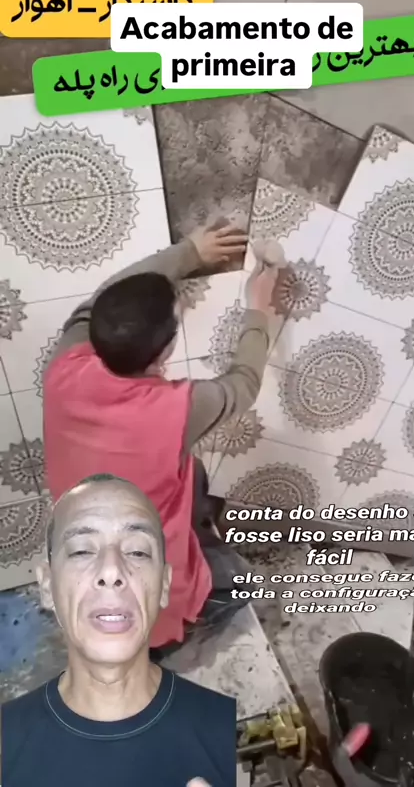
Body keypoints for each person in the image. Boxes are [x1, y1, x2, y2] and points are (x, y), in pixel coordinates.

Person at [43, 223, 278, 655]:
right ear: (165, 352)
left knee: (194, 473)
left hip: (80, 553)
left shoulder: (65, 363)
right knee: (237, 584)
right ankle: (169, 639)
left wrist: (191, 251)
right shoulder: (178, 410)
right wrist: (258, 308)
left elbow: (104, 296)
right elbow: (244, 382)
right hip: (143, 583)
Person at [1, 476, 235, 787]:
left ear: (164, 585)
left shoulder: (224, 727)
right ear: (47, 585)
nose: (111, 571)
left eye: (137, 552)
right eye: (81, 551)